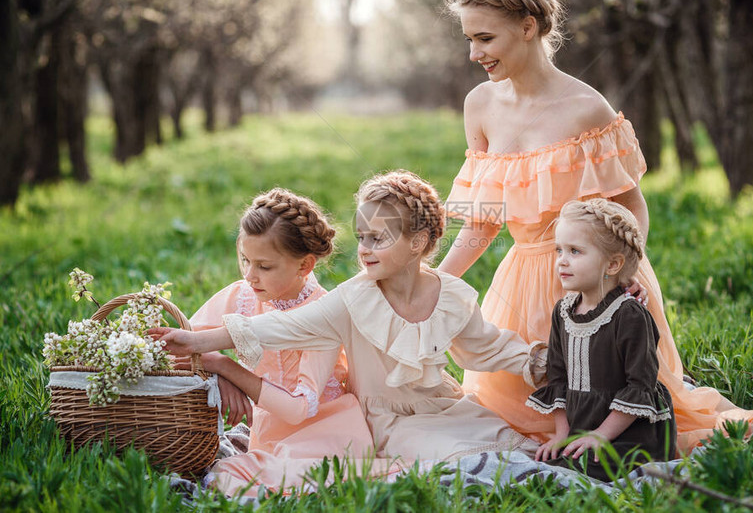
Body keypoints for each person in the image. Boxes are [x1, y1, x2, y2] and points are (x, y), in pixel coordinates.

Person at [439, 0, 753, 452]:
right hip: (521, 281)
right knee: (514, 418)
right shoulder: (478, 104)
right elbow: (480, 222)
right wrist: (435, 282)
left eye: (485, 39)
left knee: (620, 417)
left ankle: (717, 427)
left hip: (597, 279)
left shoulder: (589, 109)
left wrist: (621, 273)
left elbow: (632, 207)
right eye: (469, 39)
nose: (474, 53)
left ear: (527, 28)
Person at [151, 171, 545, 464]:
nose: (365, 250)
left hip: (443, 404)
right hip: (388, 421)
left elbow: (488, 349)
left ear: (418, 243)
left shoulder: (451, 294)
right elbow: (283, 325)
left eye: (378, 238)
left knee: (510, 445)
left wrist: (547, 365)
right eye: (361, 238)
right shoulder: (353, 297)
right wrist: (202, 344)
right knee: (457, 458)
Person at [179, 187, 375, 495]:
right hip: (269, 434)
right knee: (234, 475)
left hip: (324, 432)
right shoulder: (242, 296)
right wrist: (218, 373)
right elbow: (188, 343)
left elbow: (299, 409)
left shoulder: (324, 315)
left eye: (264, 266)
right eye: (245, 260)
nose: (249, 275)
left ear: (304, 266)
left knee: (246, 480)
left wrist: (227, 367)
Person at [529, 199, 676, 480]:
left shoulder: (629, 315)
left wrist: (600, 435)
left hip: (631, 432)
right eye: (558, 250)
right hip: (583, 426)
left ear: (612, 264)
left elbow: (640, 384)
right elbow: (557, 377)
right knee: (557, 466)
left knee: (579, 473)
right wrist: (563, 434)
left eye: (575, 251)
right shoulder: (563, 312)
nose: (562, 259)